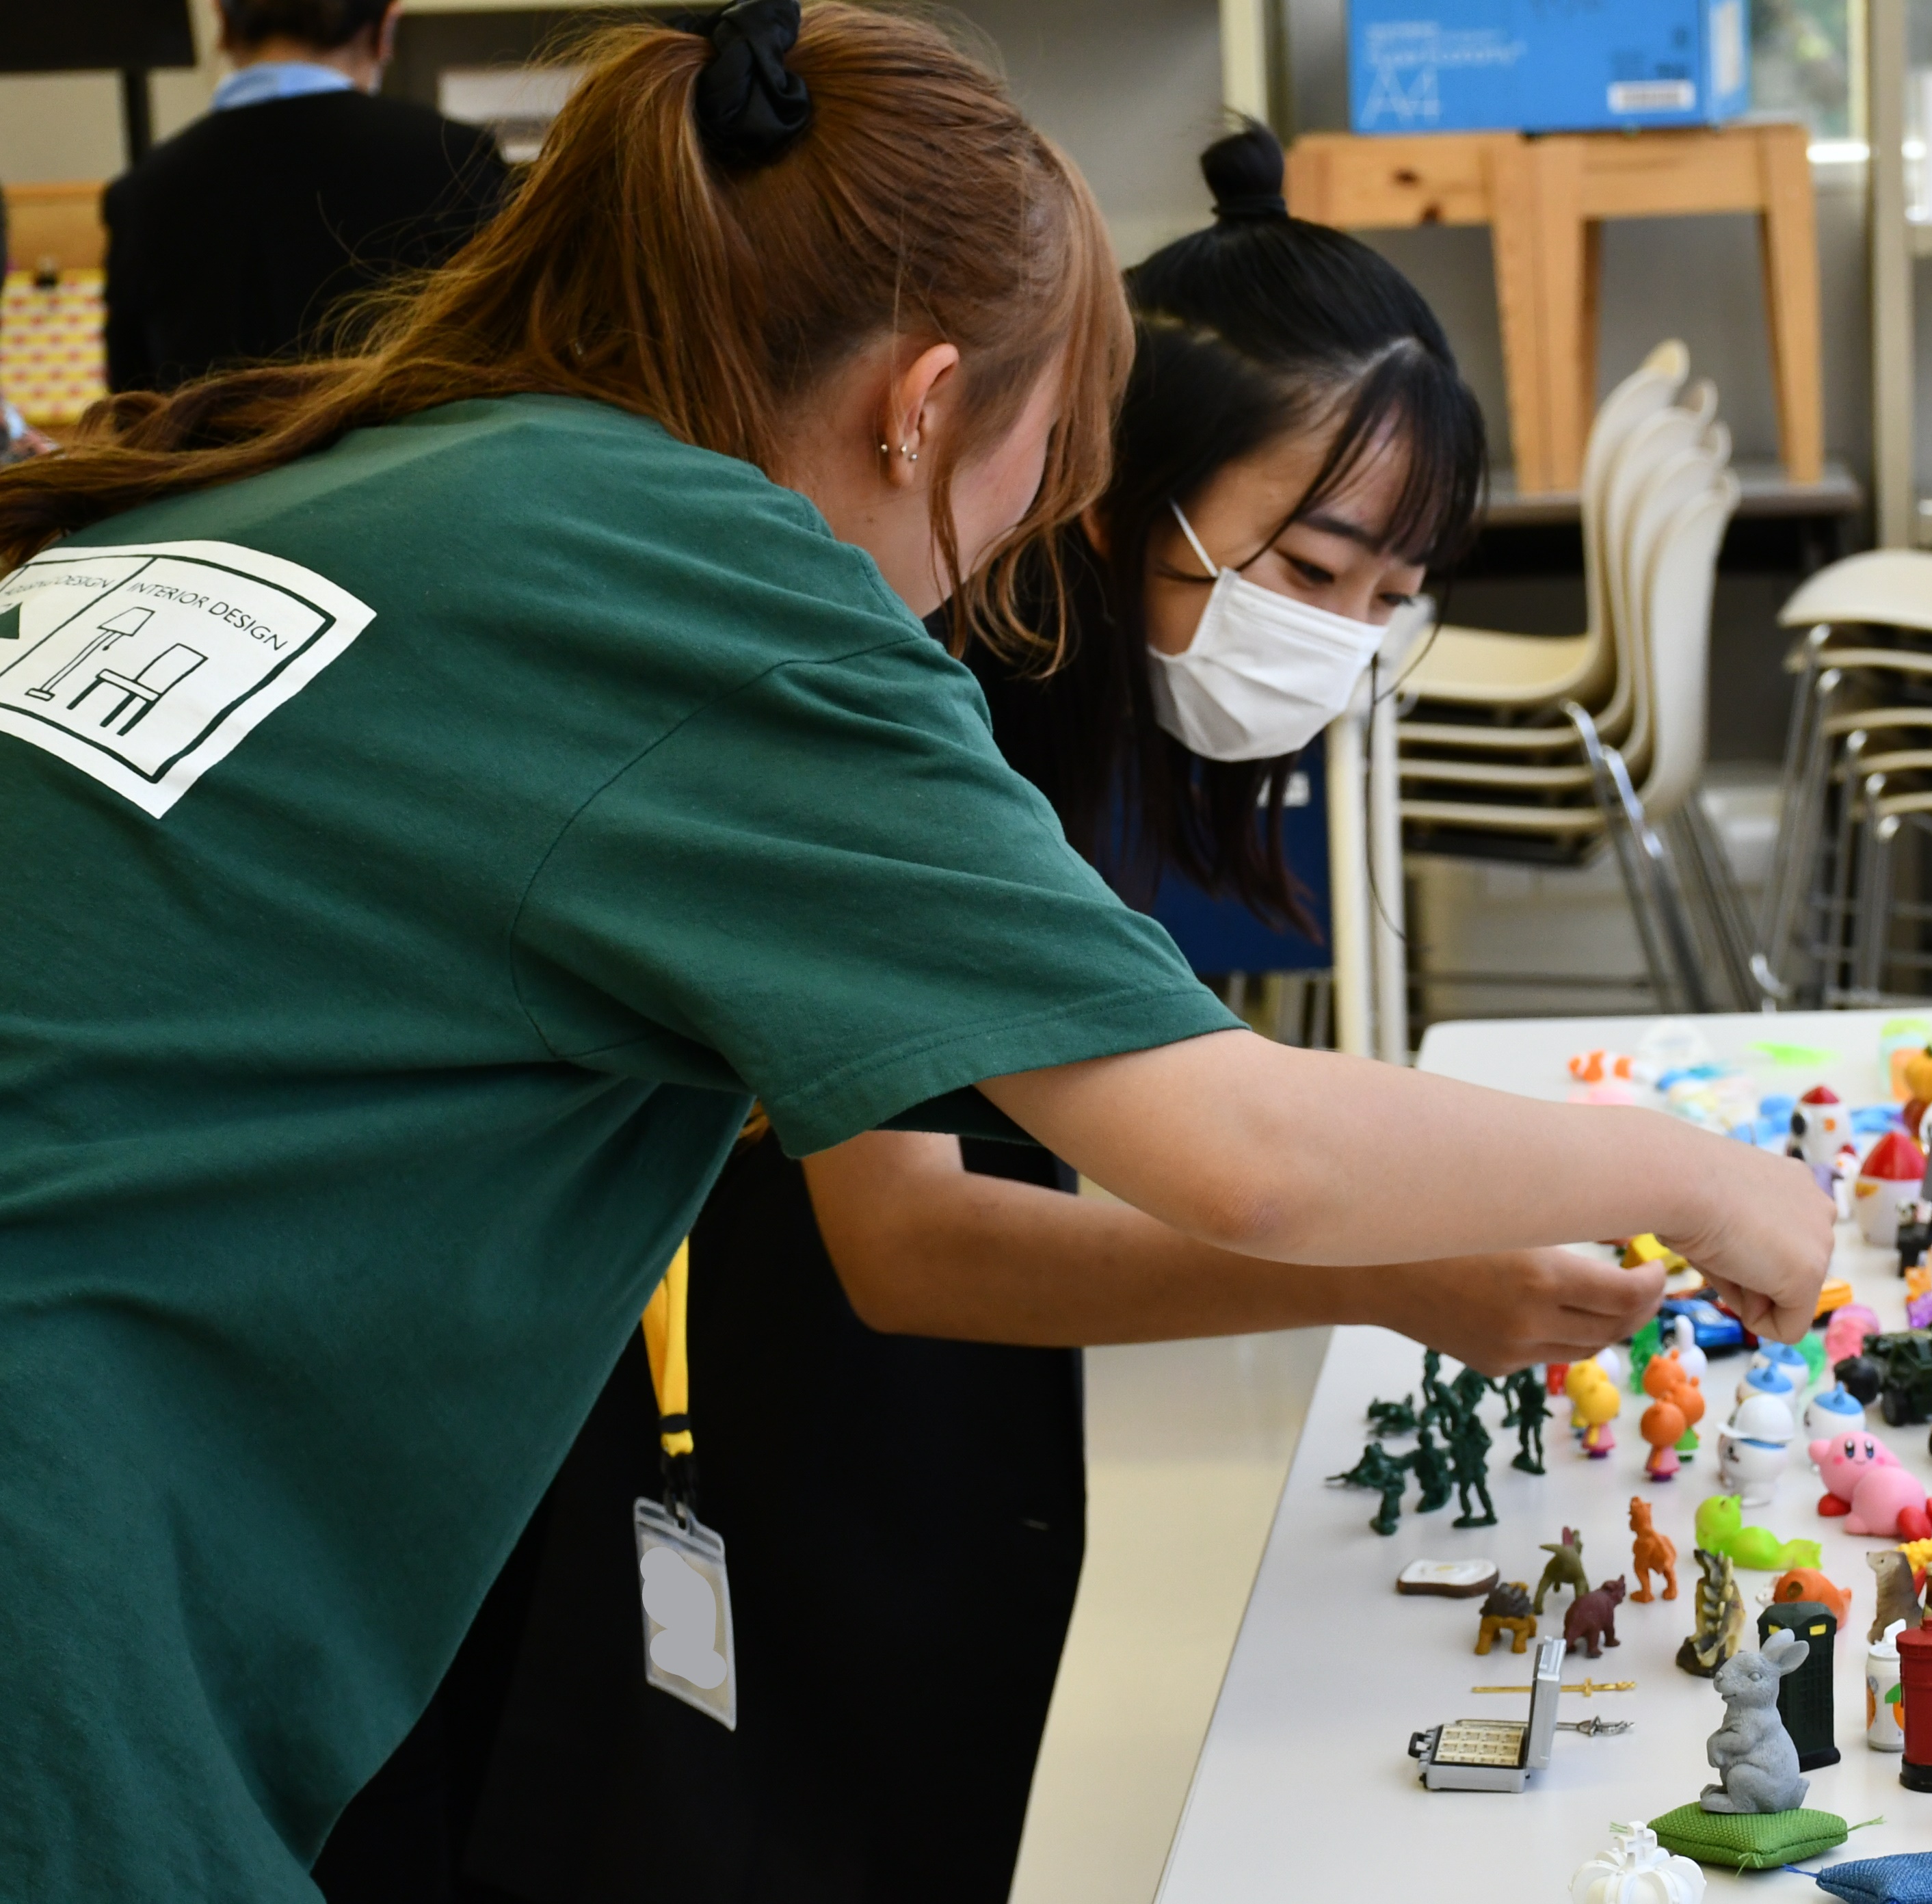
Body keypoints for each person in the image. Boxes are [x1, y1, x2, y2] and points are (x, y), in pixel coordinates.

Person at [0, 10, 1831, 1903]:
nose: (1037, 525)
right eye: (1057, 451)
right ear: (928, 400)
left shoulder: (378, 470)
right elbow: (1240, 1151)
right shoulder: (706, 585)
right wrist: (1698, 1175)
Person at [317, 119, 1614, 1904]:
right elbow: (923, 1240)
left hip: (872, 1455)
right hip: (737, 1436)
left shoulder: (1079, 696)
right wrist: (1404, 1263)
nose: (1342, 640)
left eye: (1393, 599)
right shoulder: (917, 703)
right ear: (1110, 477)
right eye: (1312, 574)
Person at [101, 0, 509, 392]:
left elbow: (134, 404)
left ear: (222, 26)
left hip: (220, 445)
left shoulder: (140, 197)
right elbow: (508, 358)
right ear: (385, 31)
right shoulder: (455, 159)